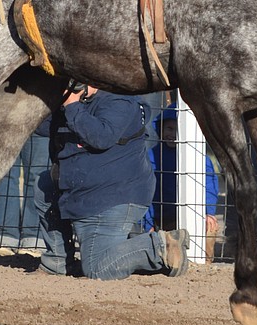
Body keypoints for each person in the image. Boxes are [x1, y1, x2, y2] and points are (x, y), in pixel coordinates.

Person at [33, 86, 190, 280]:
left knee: (97, 268)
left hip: (112, 196)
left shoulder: (120, 100)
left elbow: (101, 136)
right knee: (45, 184)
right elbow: (41, 126)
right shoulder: (79, 101)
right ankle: (58, 261)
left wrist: (72, 105)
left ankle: (160, 246)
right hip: (87, 192)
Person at [143, 106, 220, 262]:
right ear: (160, 128)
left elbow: (210, 187)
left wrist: (208, 211)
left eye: (179, 129)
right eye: (169, 128)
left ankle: (204, 262)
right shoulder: (151, 156)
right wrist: (148, 223)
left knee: (210, 226)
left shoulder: (200, 157)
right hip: (161, 217)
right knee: (162, 253)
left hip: (195, 214)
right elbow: (145, 193)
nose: (173, 134)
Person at [0, 131, 50, 256]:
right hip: (3, 119)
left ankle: (34, 236)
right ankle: (4, 235)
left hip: (42, 122)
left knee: (38, 176)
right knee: (3, 174)